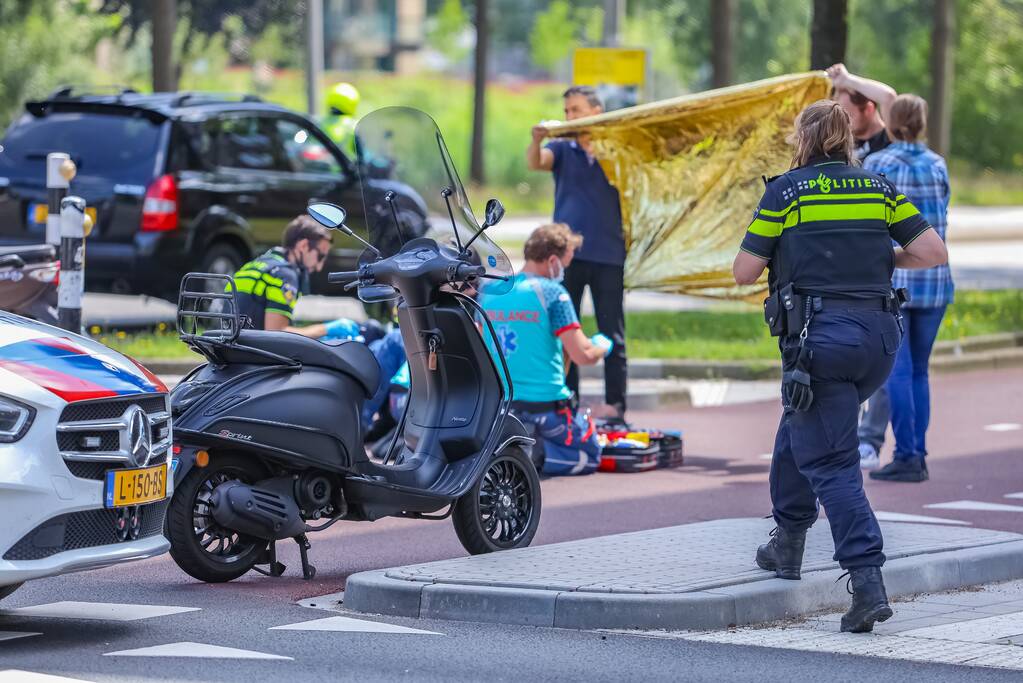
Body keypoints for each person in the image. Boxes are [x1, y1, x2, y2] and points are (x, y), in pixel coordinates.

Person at [732, 100, 948, 633]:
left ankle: (867, 579)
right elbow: (932, 253)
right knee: (799, 425)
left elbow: (744, 270)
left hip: (818, 343)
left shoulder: (786, 190)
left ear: (803, 140)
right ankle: (787, 541)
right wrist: (877, 257)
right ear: (846, 138)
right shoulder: (877, 188)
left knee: (830, 462)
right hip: (877, 341)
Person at [527, 86, 628, 421]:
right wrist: (537, 140)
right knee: (564, 329)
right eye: (567, 110)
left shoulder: (617, 149)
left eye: (577, 110)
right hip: (567, 256)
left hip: (609, 252)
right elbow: (537, 162)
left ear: (597, 112)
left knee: (611, 330)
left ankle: (616, 404)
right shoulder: (562, 147)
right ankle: (567, 403)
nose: (570, 116)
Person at [867, 95, 954, 484]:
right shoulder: (938, 164)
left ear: (889, 121)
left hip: (896, 283)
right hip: (935, 283)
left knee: (895, 373)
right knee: (919, 372)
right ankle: (917, 452)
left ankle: (906, 455)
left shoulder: (878, 164)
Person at [480, 223, 613, 475]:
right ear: (553, 260)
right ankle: (539, 453)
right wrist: (602, 346)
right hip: (545, 409)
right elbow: (581, 355)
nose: (563, 271)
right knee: (591, 453)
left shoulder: (491, 291)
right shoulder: (553, 293)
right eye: (565, 264)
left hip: (502, 408)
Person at [827, 64, 899, 470]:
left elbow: (890, 96)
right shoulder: (844, 150)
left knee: (881, 353)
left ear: (867, 108)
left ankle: (870, 441)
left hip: (882, 263)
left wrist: (847, 79)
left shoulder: (887, 140)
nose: (845, 122)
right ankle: (844, 436)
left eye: (849, 111)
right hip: (850, 265)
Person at [323, 82, 360, 157]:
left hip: (317, 168)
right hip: (345, 168)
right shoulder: (353, 126)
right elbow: (363, 156)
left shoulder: (319, 123)